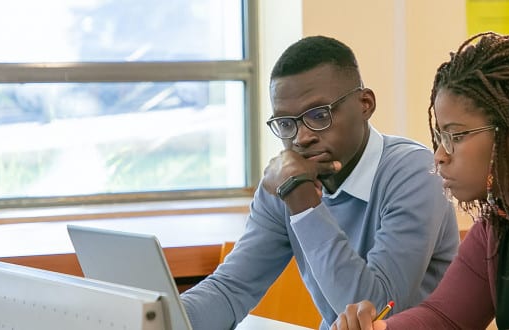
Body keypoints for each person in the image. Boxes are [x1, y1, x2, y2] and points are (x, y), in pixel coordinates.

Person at [180, 35, 459, 330]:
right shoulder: (287, 181)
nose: (301, 137)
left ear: (365, 104)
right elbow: (230, 290)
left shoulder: (415, 172)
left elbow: (375, 314)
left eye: (318, 115)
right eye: (286, 123)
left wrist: (303, 204)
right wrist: (158, 317)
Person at [331, 32, 509, 330]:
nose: (439, 156)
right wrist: (381, 329)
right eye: (440, 138)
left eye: (455, 136)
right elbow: (445, 317)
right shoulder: (501, 223)